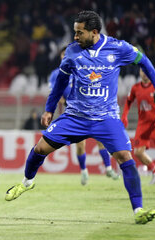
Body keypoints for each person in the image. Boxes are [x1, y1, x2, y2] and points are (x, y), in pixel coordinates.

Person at [5, 11, 155, 224]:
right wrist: (48, 109)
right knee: (39, 149)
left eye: (79, 33)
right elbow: (61, 83)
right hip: (75, 117)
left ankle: (138, 211)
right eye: (74, 32)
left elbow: (143, 60)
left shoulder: (118, 48)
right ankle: (26, 182)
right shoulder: (72, 52)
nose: (75, 37)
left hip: (106, 118)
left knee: (126, 159)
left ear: (94, 32)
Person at [49, 47, 120, 185]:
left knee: (101, 140)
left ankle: (108, 168)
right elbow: (54, 92)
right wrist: (62, 100)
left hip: (91, 110)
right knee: (81, 145)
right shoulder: (56, 74)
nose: (65, 57)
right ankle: (84, 172)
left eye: (67, 55)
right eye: (63, 55)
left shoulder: (80, 69)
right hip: (74, 113)